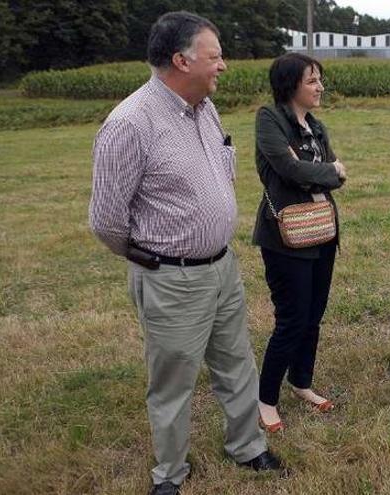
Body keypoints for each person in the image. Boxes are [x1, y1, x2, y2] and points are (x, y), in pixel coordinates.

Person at [88, 11, 280, 495]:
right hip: (170, 277)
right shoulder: (130, 124)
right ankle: (170, 474)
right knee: (172, 382)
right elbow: (107, 221)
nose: (224, 66)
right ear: (181, 60)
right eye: (215, 57)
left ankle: (247, 446)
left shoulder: (204, 108)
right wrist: (152, 260)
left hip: (222, 267)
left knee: (236, 361)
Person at [252, 53, 347, 432]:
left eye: (320, 79)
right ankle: (266, 398)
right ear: (291, 84)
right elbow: (289, 169)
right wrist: (324, 172)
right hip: (285, 237)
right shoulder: (269, 119)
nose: (320, 87)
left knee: (313, 316)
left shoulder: (317, 126)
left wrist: (321, 172)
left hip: (322, 230)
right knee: (291, 320)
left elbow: (334, 172)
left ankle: (301, 382)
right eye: (312, 80)